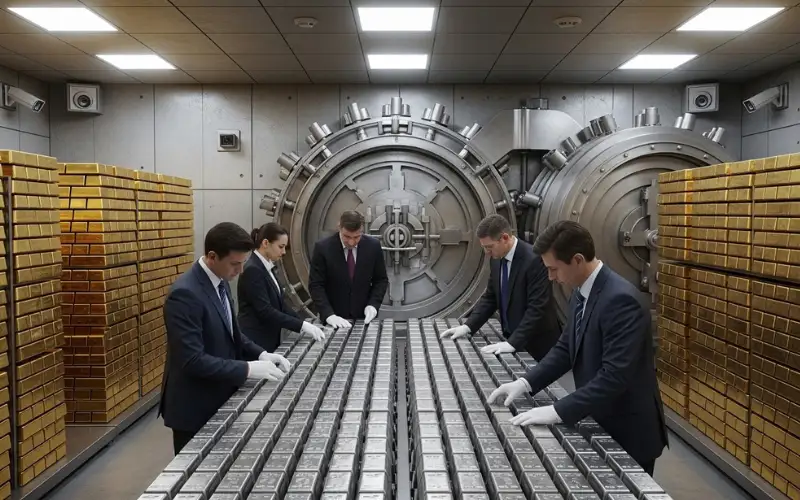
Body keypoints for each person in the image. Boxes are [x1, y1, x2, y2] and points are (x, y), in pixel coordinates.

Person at [487, 221, 667, 476]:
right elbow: (565, 348)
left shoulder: (621, 301)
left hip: (628, 430)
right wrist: (525, 383)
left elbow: (614, 377)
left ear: (578, 260)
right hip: (599, 416)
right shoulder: (581, 292)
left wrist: (557, 411)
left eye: (554, 269)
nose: (551, 277)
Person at [159, 222, 292, 454]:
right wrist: (248, 369)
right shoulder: (185, 294)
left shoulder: (220, 281)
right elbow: (192, 360)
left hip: (219, 394)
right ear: (212, 256)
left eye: (242, 263)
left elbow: (232, 332)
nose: (240, 271)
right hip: (195, 407)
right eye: (235, 264)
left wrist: (261, 354)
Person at [440, 214, 561, 360]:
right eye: (484, 247)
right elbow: (490, 298)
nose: (487, 252)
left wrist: (513, 343)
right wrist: (468, 326)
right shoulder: (496, 259)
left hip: (537, 346)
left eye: (489, 247)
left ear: (504, 238)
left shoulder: (534, 260)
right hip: (512, 340)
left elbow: (537, 308)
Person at [238, 222, 327, 351]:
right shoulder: (253, 270)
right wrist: (302, 326)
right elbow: (265, 311)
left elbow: (280, 306)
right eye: (281, 246)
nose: (284, 252)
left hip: (267, 339)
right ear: (265, 243)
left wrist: (304, 323)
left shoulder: (266, 266)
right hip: (255, 341)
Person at [309, 210, 389, 329]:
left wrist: (373, 305)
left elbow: (381, 280)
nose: (351, 242)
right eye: (347, 236)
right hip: (333, 319)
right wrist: (328, 314)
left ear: (362, 230)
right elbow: (316, 285)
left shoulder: (373, 246)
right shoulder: (323, 248)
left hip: (364, 318)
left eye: (356, 237)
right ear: (339, 227)